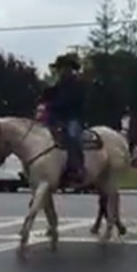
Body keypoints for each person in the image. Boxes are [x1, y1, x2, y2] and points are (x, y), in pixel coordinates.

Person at [44, 54, 86, 183]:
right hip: (55, 119)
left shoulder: (78, 85)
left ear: (70, 69)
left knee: (72, 136)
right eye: (59, 69)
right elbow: (46, 98)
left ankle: (77, 167)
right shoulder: (57, 85)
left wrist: (53, 105)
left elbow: (71, 102)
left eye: (63, 68)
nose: (61, 71)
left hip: (72, 118)